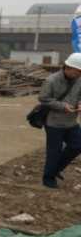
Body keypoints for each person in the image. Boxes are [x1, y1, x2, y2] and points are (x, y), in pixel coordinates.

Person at [38, 52, 81, 188]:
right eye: (78, 71)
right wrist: (62, 106)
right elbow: (43, 99)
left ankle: (56, 169)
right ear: (68, 68)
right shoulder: (51, 80)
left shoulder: (79, 79)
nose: (79, 74)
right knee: (54, 151)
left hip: (71, 121)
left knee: (77, 146)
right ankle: (48, 178)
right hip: (54, 122)